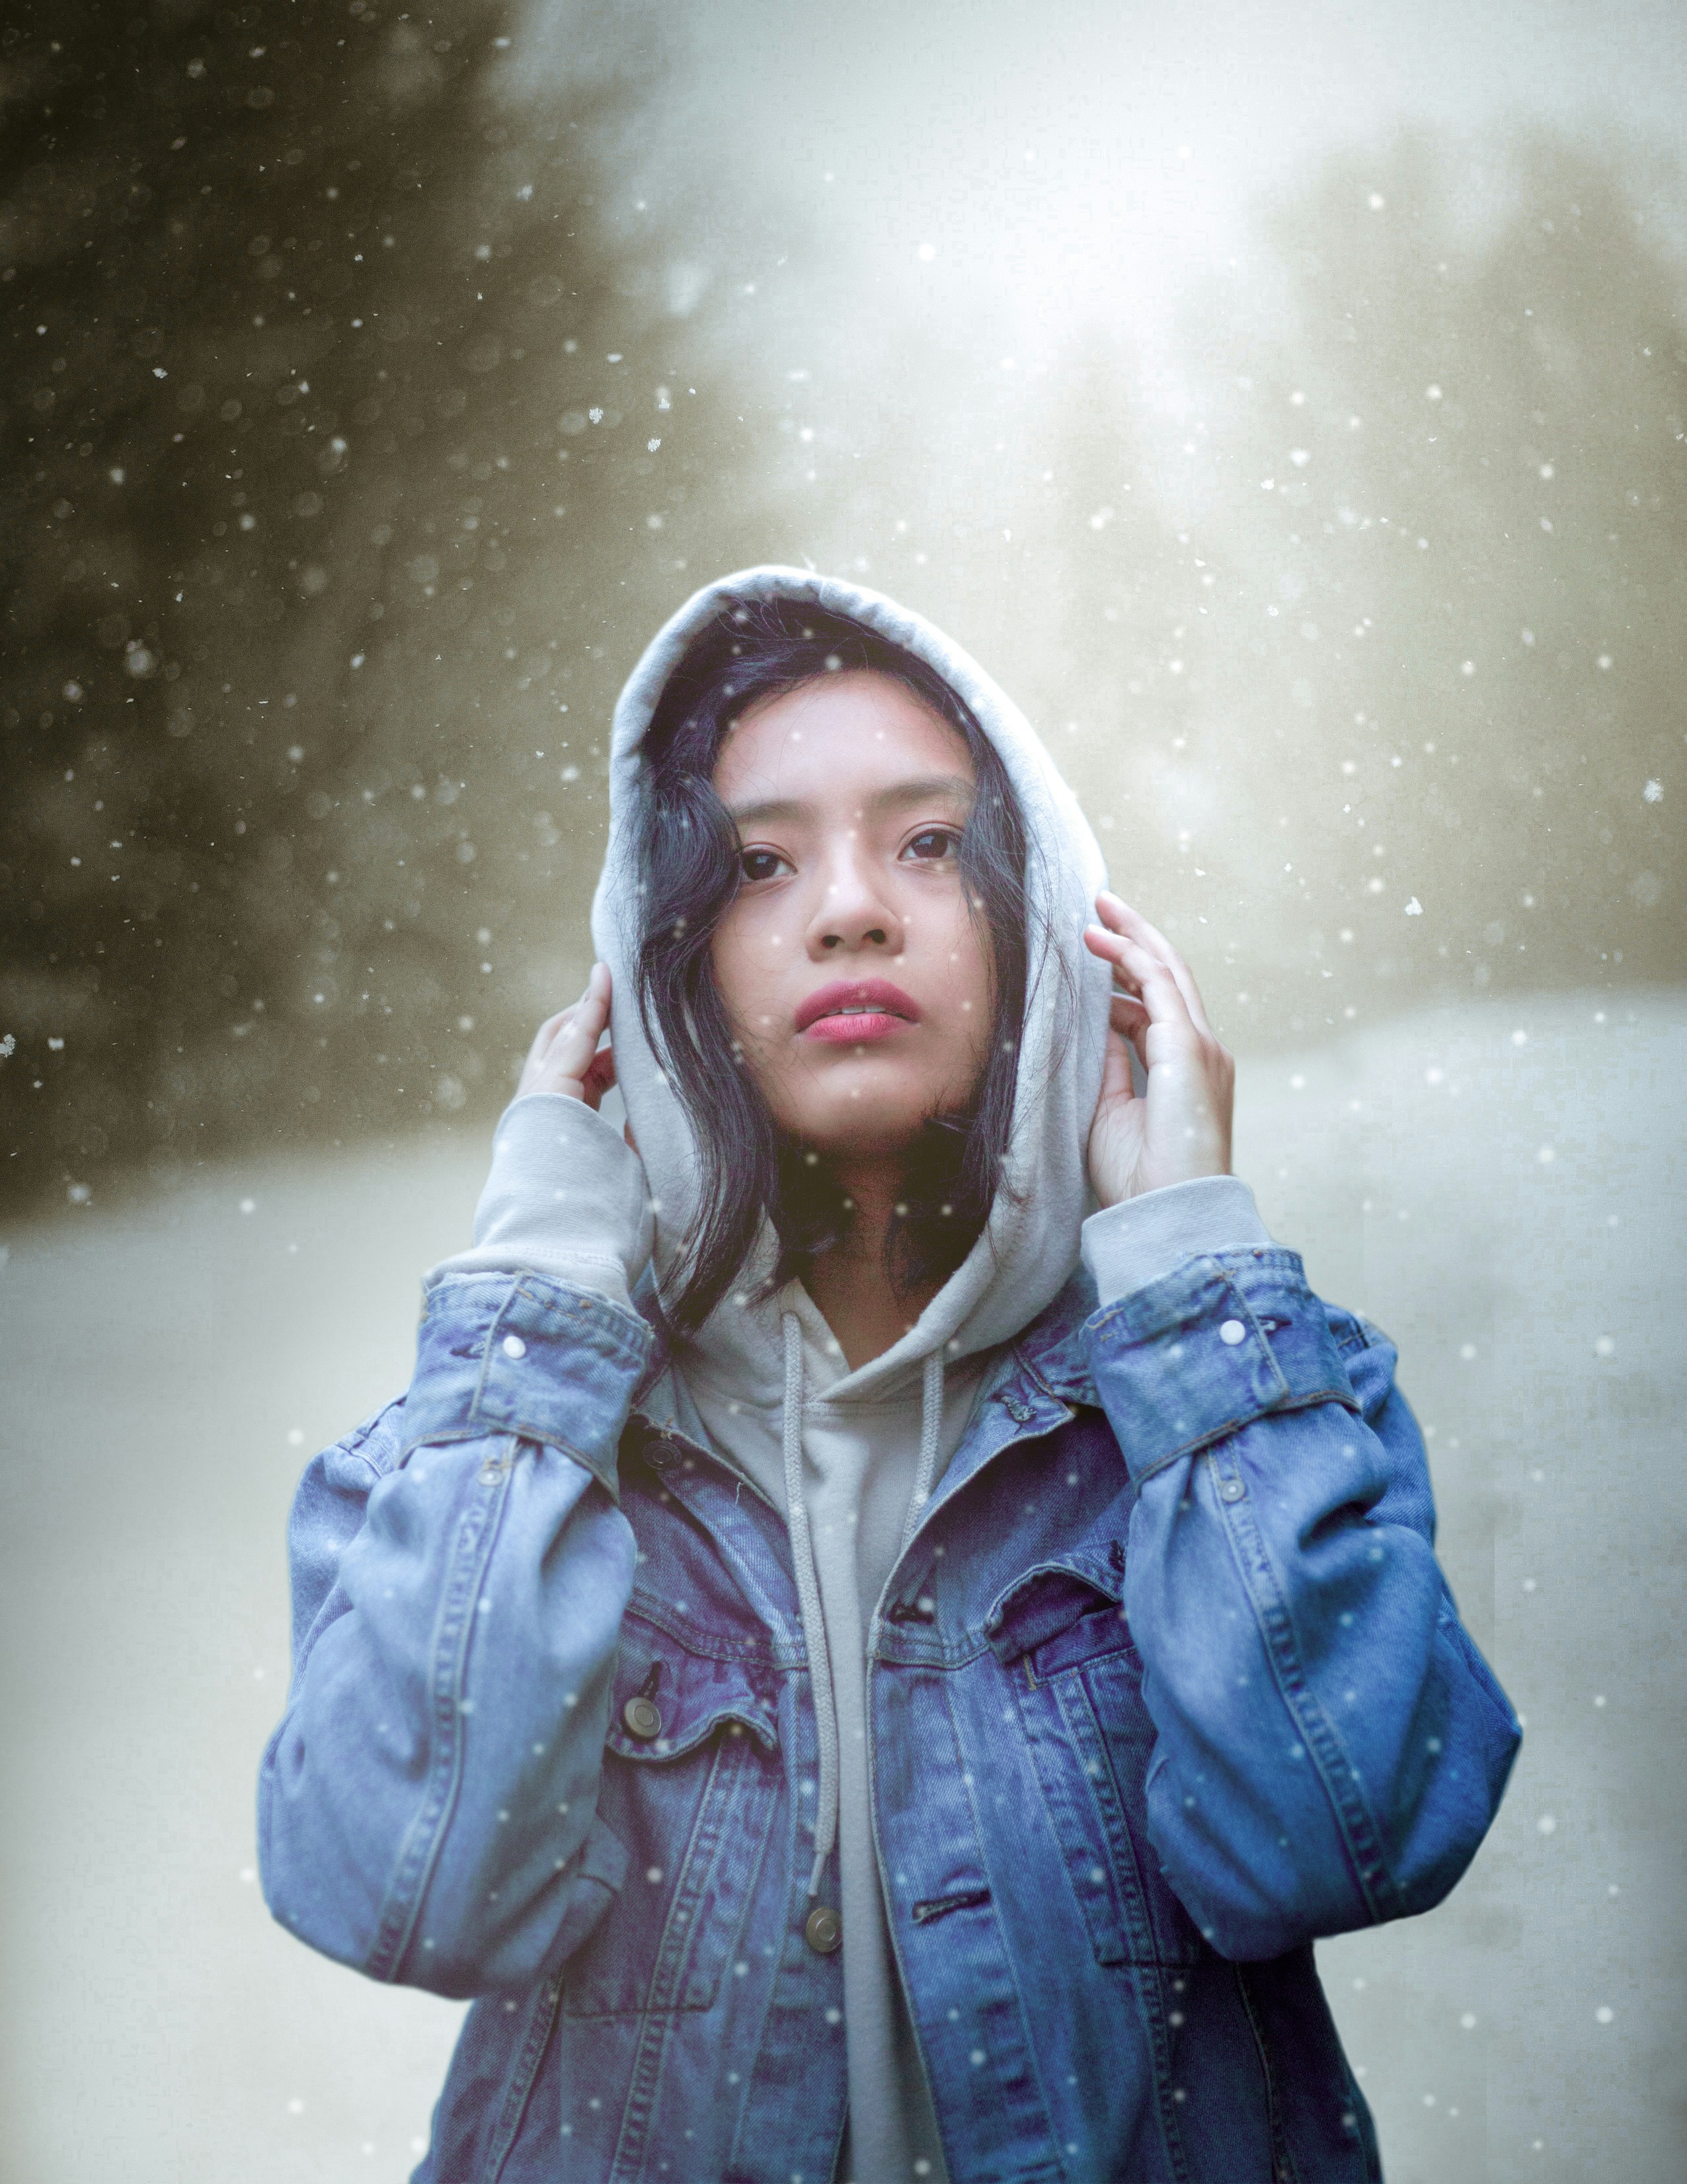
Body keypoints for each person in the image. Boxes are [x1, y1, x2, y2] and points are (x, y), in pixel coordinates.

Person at [258, 568, 1520, 2184]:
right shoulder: (538, 1438)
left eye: (927, 842)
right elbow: (400, 1887)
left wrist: (1193, 1266)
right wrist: (539, 1282)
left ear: (1045, 924)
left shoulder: (1231, 1388)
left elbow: (1347, 1836)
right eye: (760, 861)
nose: (850, 906)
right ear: (672, 964)